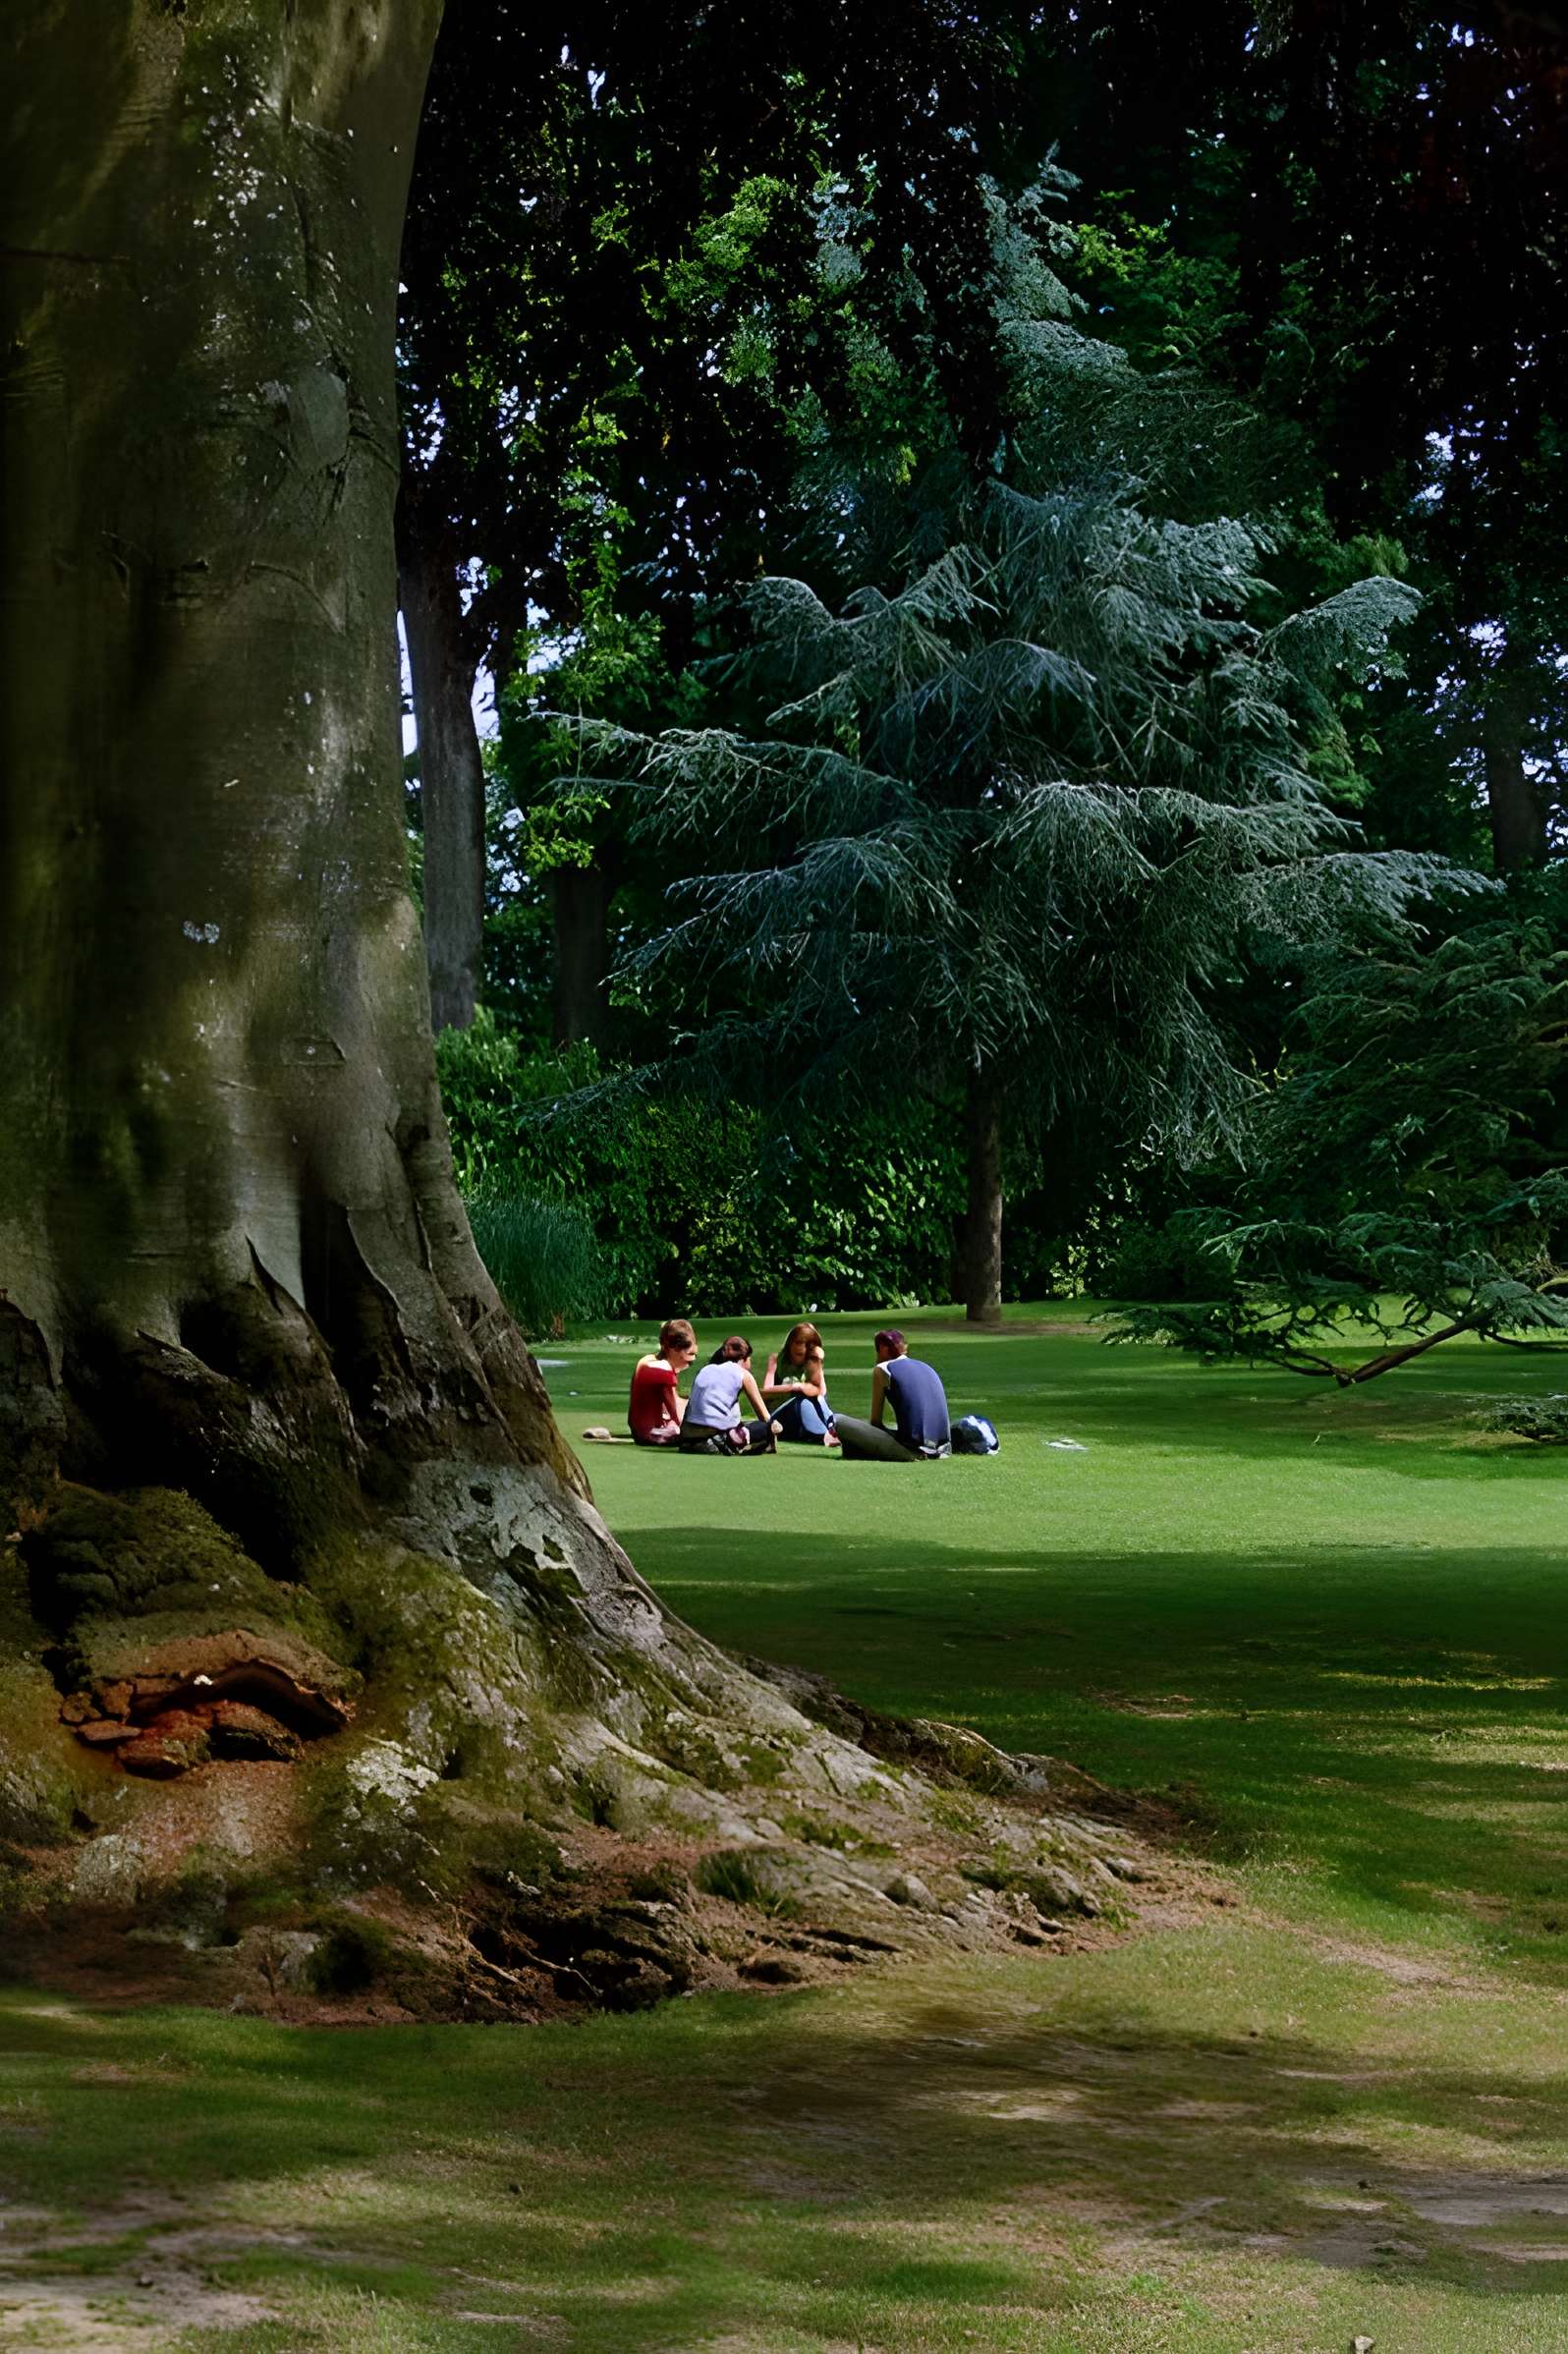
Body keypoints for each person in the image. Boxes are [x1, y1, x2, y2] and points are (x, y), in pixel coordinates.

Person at [833, 1328, 951, 1461]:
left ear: (883, 1349)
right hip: (942, 1450)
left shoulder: (882, 1369)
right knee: (894, 1428)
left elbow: (876, 1422)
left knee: (837, 1420)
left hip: (911, 1450)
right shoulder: (926, 1367)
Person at [678, 1336, 781, 1454]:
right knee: (767, 1427)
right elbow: (765, 1417)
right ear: (744, 1357)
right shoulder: (743, 1374)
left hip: (687, 1437)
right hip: (716, 1439)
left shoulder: (705, 1370)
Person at [761, 1320, 839, 1447]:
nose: (801, 1347)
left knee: (812, 1398)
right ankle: (824, 1434)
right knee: (801, 1399)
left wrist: (818, 1363)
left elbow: (822, 1393)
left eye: (807, 1343)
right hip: (779, 1418)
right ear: (790, 1343)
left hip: (803, 1417)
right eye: (798, 1342)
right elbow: (765, 1392)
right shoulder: (776, 1360)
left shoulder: (812, 1363)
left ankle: (831, 1428)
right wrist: (794, 1387)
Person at [627, 1317, 698, 1446]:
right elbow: (676, 1415)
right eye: (687, 1355)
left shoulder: (647, 1359)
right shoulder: (662, 1368)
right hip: (653, 1434)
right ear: (673, 1349)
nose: (689, 1362)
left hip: (641, 1431)